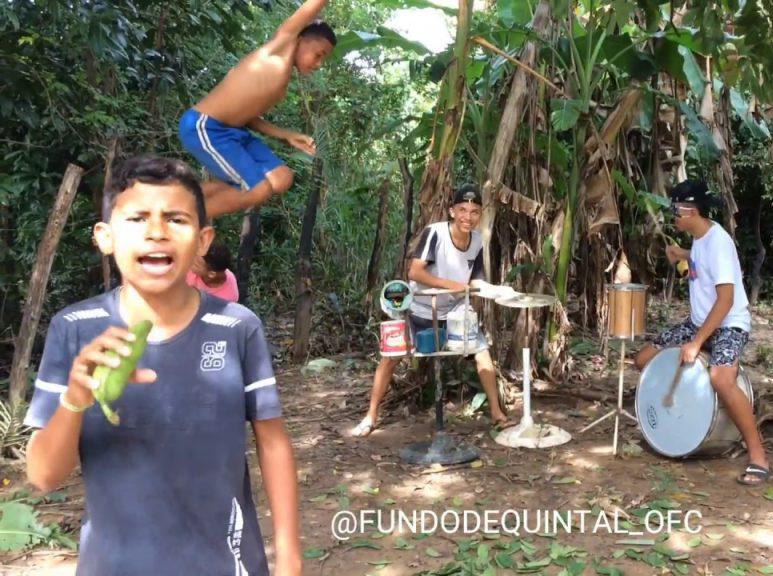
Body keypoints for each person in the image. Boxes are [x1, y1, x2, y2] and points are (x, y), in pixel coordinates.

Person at [24, 156, 301, 575]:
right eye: (136, 218)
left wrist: (291, 560)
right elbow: (44, 477)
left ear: (203, 240)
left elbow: (273, 442)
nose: (156, 232)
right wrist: (76, 398)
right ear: (105, 237)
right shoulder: (76, 331)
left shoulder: (236, 327)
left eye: (176, 218)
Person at [634, 180, 771, 486]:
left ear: (691, 211)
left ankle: (758, 456)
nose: (673, 217)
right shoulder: (699, 237)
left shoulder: (719, 242)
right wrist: (681, 253)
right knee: (644, 359)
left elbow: (726, 301)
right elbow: (700, 259)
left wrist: (696, 343)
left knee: (720, 378)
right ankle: (677, 421)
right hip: (699, 322)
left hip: (728, 323)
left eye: (676, 212)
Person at [351, 184, 516, 437]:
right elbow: (415, 272)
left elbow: (476, 281)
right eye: (462, 210)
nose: (467, 217)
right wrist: (452, 286)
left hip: (455, 313)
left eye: (474, 212)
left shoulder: (477, 241)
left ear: (480, 214)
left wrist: (497, 290)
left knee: (482, 354)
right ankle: (371, 415)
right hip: (421, 310)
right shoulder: (435, 233)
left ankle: (496, 414)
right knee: (390, 357)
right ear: (452, 211)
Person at [178, 0, 336, 219]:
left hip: (235, 132)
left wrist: (286, 135)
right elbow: (312, 7)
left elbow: (248, 118)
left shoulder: (280, 83)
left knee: (281, 177)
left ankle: (179, 201)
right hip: (205, 126)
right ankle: (181, 222)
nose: (319, 63)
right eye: (318, 54)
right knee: (257, 189)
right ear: (299, 39)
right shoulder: (279, 48)